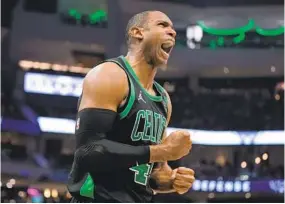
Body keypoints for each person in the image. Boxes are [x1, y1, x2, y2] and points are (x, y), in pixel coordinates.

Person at [68, 10, 195, 203]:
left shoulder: (163, 99)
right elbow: (88, 151)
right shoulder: (109, 75)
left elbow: (153, 172)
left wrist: (171, 180)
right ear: (137, 33)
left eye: (173, 29)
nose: (173, 32)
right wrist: (161, 151)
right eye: (163, 25)